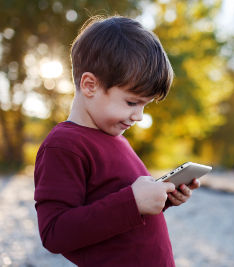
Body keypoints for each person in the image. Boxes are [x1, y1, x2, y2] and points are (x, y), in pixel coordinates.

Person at [34, 16, 200, 267]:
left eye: (145, 105)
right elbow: (54, 232)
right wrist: (133, 202)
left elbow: (116, 214)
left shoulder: (115, 137)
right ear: (90, 85)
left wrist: (160, 198)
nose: (139, 116)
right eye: (132, 102)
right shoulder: (64, 145)